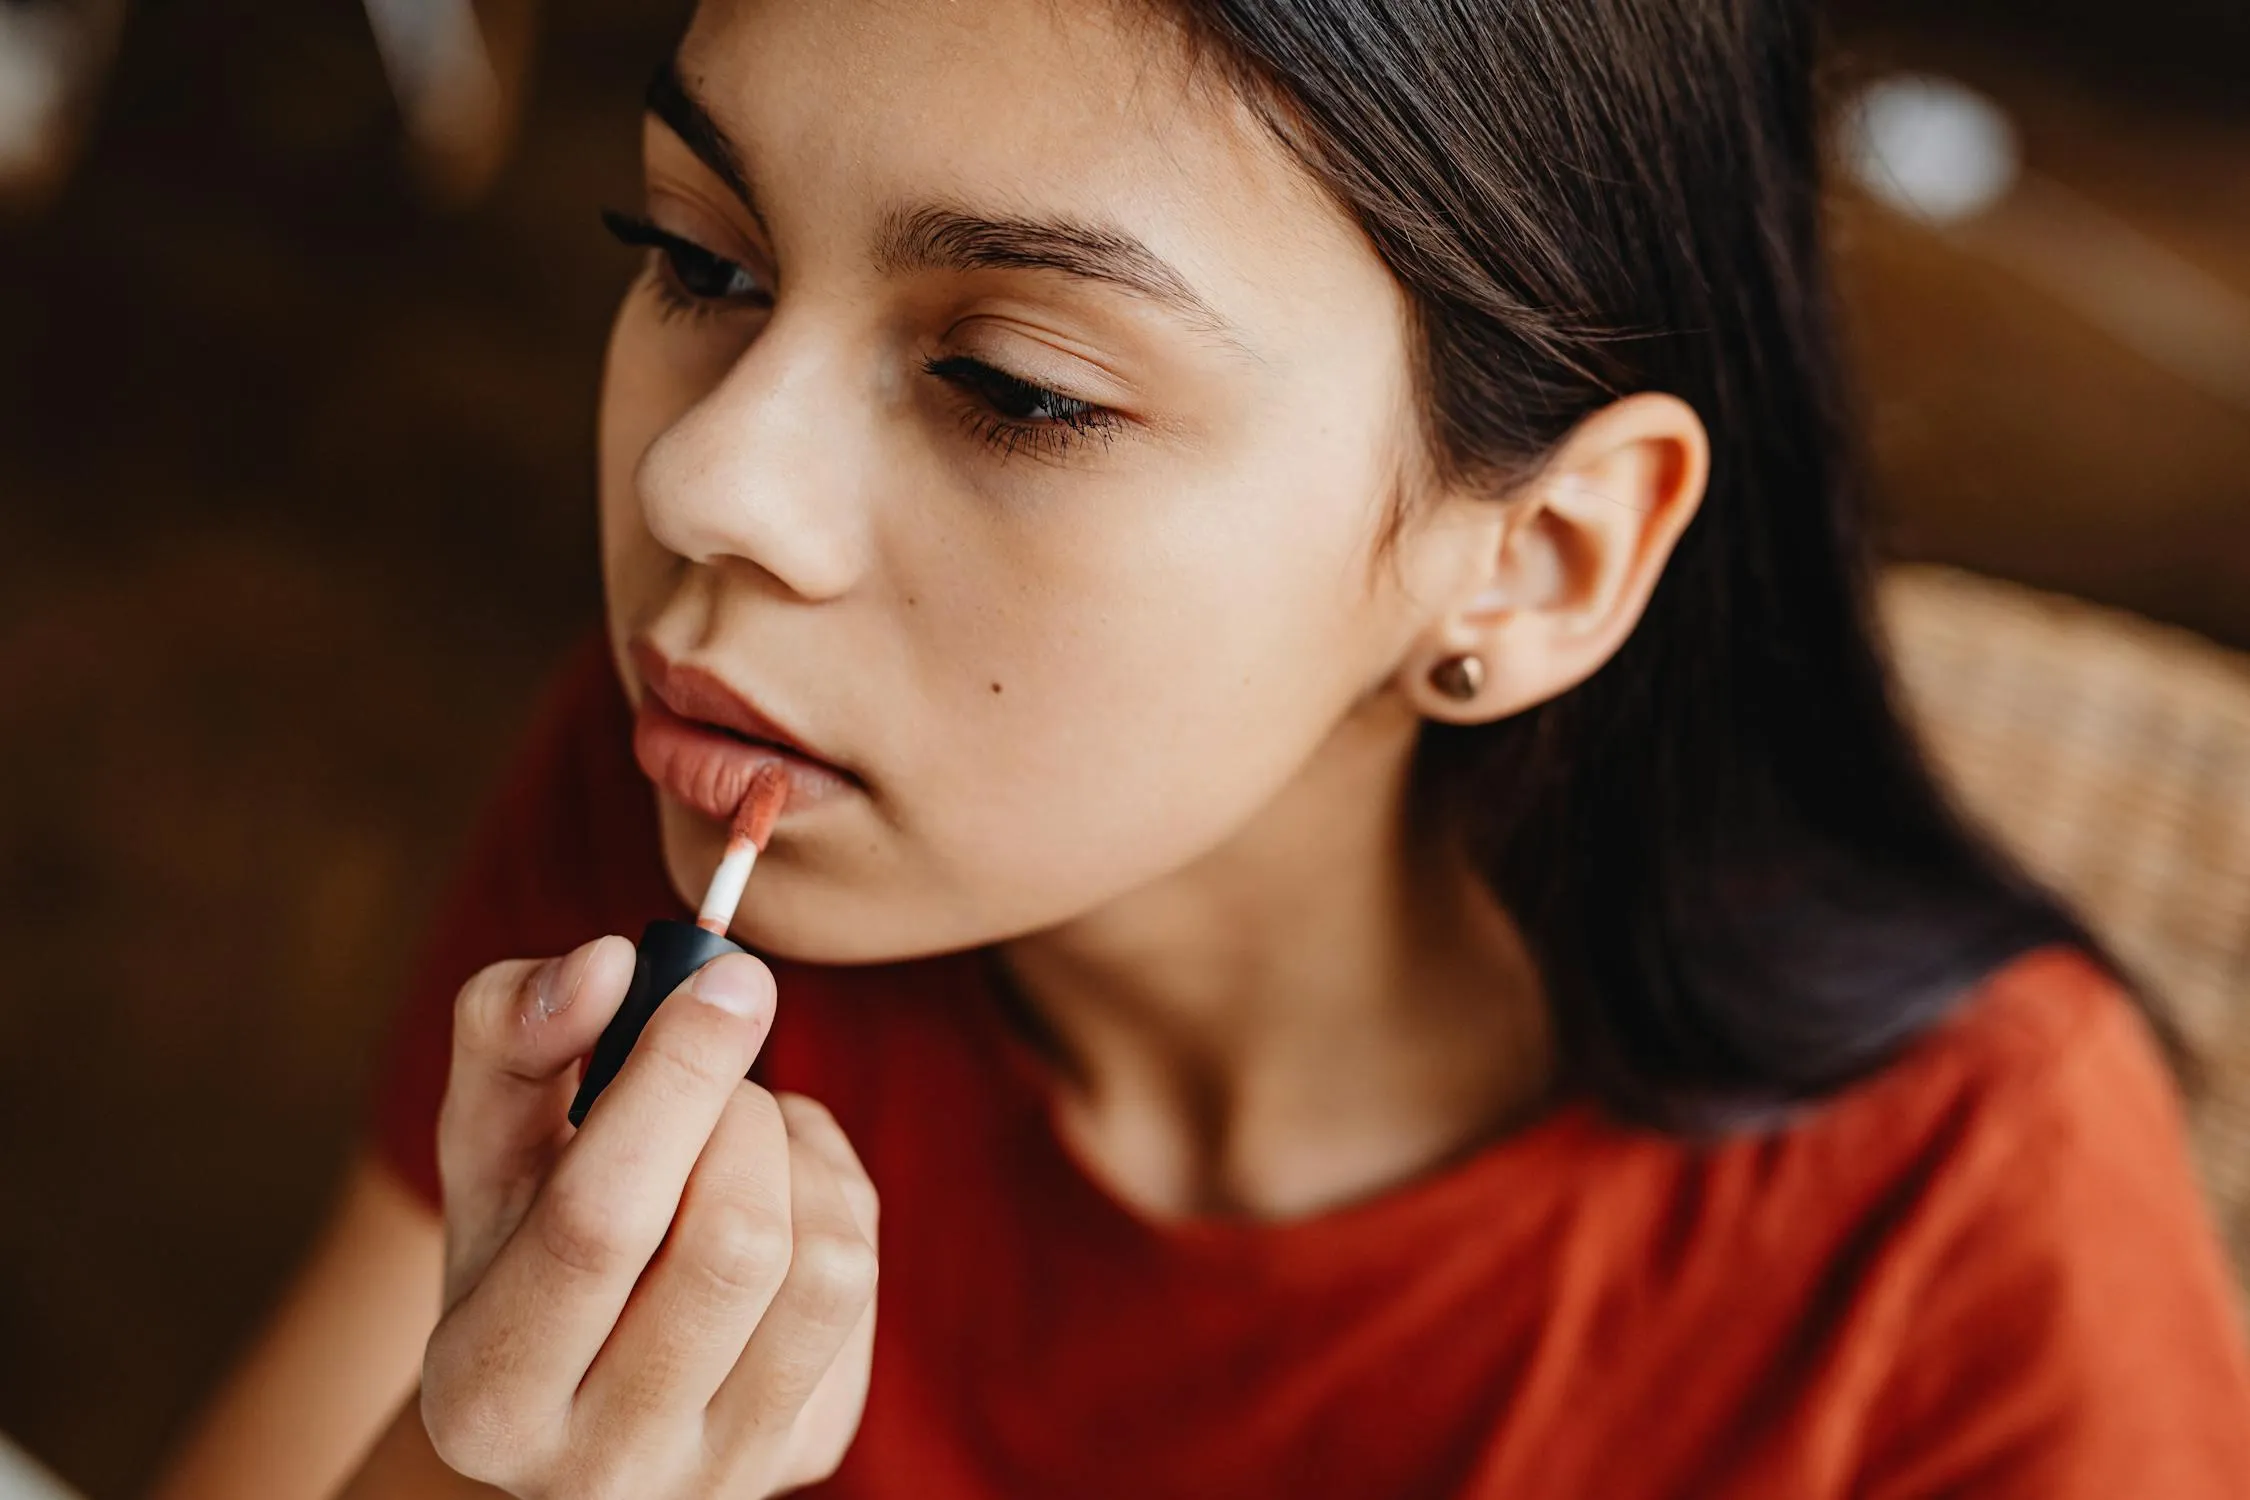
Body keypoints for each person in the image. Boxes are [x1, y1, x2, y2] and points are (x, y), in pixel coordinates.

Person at [148, 1, 2250, 1495]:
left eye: (1017, 381)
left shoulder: (1962, 1246)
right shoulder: (698, 802)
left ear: (1531, 563)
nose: (712, 484)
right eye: (699, 257)